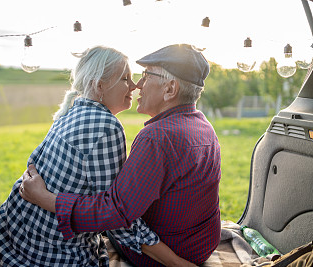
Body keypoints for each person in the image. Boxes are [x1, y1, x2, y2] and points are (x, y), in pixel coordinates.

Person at [20, 43, 222, 266]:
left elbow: (117, 213)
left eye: (146, 75)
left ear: (170, 89)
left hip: (169, 253)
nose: (138, 85)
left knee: (110, 223)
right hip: (202, 244)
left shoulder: (156, 137)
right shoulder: (203, 124)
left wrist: (47, 199)